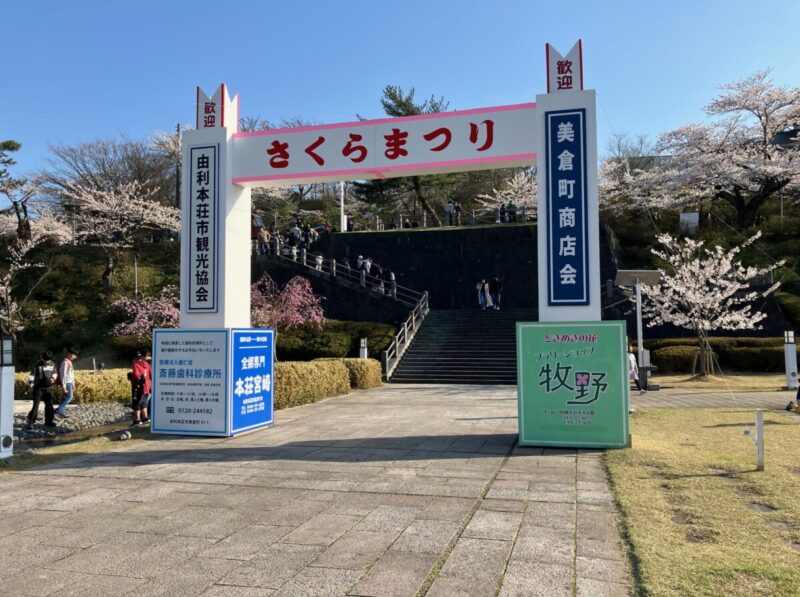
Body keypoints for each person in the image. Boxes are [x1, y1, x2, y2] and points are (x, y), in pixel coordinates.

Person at [27, 351, 58, 430]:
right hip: (38, 388)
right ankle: (31, 422)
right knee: (36, 405)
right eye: (45, 360)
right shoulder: (37, 364)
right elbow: (32, 374)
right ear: (42, 358)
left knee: (49, 405)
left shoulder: (52, 364)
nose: (47, 362)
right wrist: (31, 382)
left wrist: (52, 378)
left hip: (48, 388)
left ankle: (49, 422)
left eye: (48, 360)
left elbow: (55, 373)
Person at [130, 351, 152, 426]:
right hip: (147, 388)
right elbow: (151, 375)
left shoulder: (135, 365)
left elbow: (137, 376)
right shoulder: (147, 364)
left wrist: (131, 377)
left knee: (136, 404)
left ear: (134, 358)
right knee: (144, 403)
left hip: (138, 387)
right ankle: (145, 418)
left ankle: (137, 420)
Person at [55, 348, 78, 418]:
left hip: (70, 382)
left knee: (65, 398)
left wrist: (73, 384)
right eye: (73, 355)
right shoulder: (65, 362)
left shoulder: (69, 362)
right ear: (69, 354)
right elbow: (63, 375)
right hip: (67, 383)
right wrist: (64, 386)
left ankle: (60, 412)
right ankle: (58, 411)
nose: (74, 357)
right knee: (69, 396)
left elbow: (71, 374)